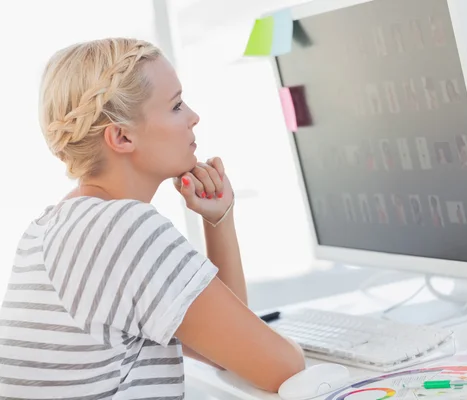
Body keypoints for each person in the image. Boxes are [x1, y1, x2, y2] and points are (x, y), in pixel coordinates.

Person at [0, 38, 305, 399]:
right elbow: (284, 368)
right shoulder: (122, 230)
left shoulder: (57, 225)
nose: (194, 116)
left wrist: (219, 220)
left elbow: (226, 351)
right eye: (176, 105)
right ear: (122, 136)